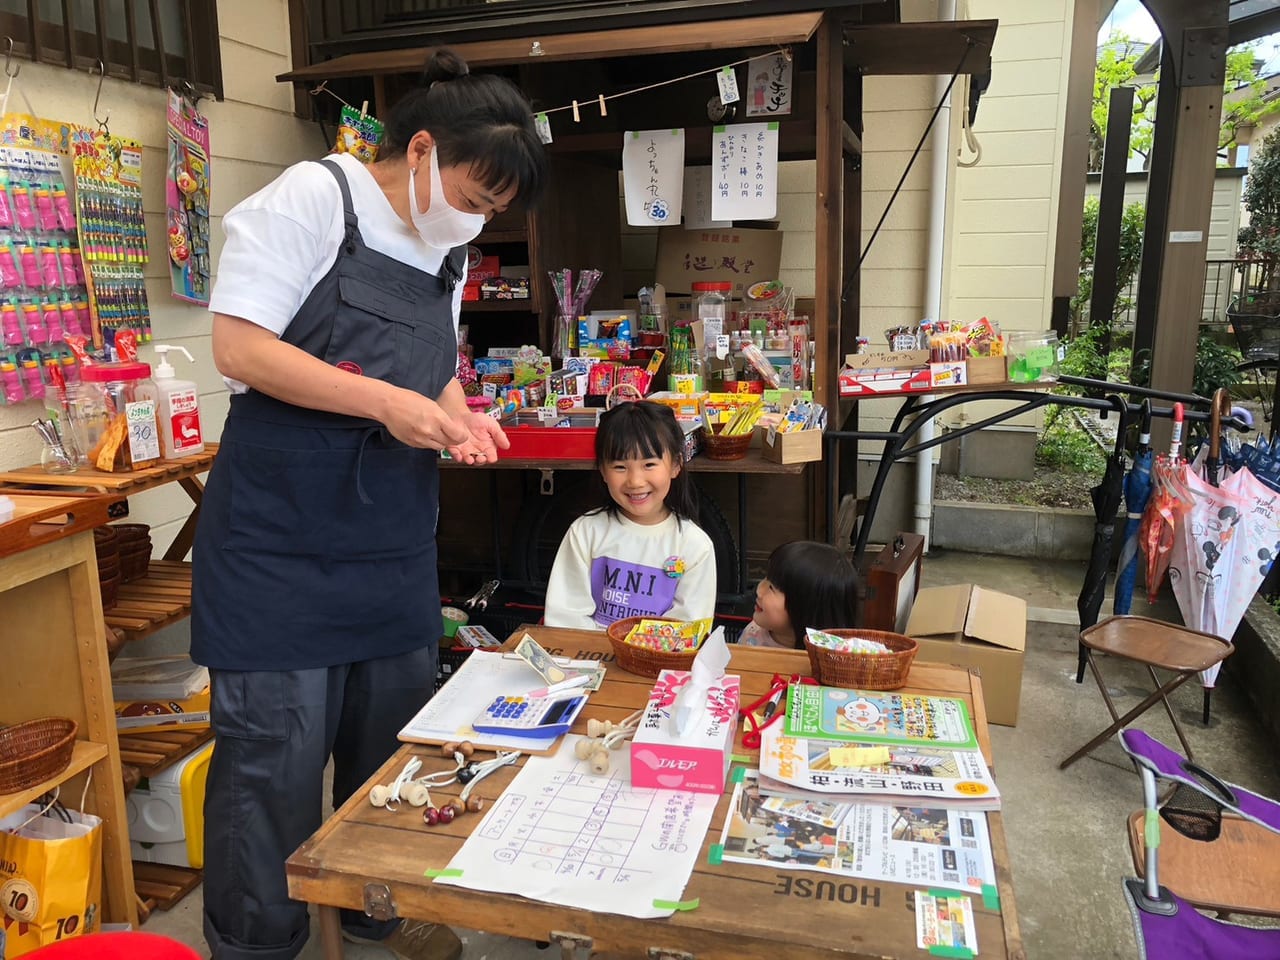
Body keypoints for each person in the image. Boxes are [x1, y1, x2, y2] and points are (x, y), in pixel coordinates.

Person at [190, 50, 546, 960]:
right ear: (420, 148)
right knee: (271, 761)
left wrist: (463, 421)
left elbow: (435, 375)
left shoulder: (447, 249)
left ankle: (367, 905)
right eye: (473, 194)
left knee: (390, 744)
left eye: (494, 212)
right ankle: (256, 942)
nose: (476, 219)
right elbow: (240, 349)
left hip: (388, 539)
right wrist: (385, 403)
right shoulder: (316, 199)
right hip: (279, 538)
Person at [544, 401, 716, 629]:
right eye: (620, 467)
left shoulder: (695, 546)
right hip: (592, 659)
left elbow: (688, 628)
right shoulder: (585, 532)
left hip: (657, 660)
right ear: (603, 471)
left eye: (649, 464)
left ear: (675, 465)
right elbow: (565, 617)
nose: (635, 481)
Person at [738, 540, 860, 649]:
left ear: (805, 609)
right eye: (766, 578)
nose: (759, 590)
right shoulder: (753, 634)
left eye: (772, 588)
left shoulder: (830, 657)